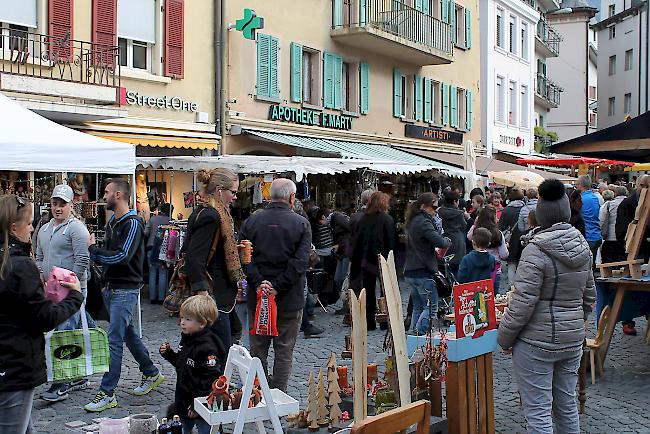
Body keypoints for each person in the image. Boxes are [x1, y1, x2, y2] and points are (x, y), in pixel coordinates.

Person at [498, 179, 596, 434]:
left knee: (539, 413)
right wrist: (573, 322)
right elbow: (589, 298)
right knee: (567, 408)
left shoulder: (535, 250)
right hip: (572, 340)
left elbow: (521, 302)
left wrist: (504, 339)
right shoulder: (583, 247)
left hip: (535, 343)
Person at [0, 195, 83, 432]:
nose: (32, 228)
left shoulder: (12, 262)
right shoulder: (18, 265)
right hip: (15, 364)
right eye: (28, 224)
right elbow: (44, 318)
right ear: (13, 228)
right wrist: (75, 296)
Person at [85, 178, 165, 412]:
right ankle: (151, 372)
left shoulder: (132, 224)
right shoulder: (113, 222)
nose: (104, 196)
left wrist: (93, 251)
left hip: (125, 289)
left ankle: (107, 392)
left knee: (115, 340)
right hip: (114, 288)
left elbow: (121, 256)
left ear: (119, 195)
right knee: (128, 335)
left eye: (107, 192)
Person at [239, 178, 311, 392]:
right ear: (291, 197)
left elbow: (244, 259)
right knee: (284, 350)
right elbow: (300, 263)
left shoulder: (251, 222)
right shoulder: (300, 223)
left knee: (258, 349)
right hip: (288, 299)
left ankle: (258, 392)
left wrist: (260, 284)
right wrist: (277, 286)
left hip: (258, 297)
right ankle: (278, 395)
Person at [36, 185, 94, 402]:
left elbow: (82, 260)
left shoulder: (77, 229)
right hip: (51, 290)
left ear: (71, 205)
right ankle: (78, 374)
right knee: (72, 329)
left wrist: (71, 285)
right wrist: (42, 275)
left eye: (62, 204)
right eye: (55, 204)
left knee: (64, 333)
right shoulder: (44, 228)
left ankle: (62, 382)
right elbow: (40, 255)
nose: (58, 208)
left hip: (72, 291)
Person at [183, 169, 245, 352]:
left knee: (232, 333)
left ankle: (217, 377)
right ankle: (216, 379)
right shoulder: (211, 215)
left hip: (219, 291)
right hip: (213, 291)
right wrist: (203, 293)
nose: (234, 197)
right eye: (232, 192)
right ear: (219, 190)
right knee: (220, 344)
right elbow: (195, 256)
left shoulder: (211, 212)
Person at [160, 295, 225, 434]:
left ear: (202, 323)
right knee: (181, 428)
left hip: (202, 403)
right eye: (181, 318)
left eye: (187, 319)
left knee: (206, 430)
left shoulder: (208, 347)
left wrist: (198, 405)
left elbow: (212, 379)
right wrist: (169, 354)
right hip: (185, 398)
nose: (182, 322)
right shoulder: (189, 338)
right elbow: (183, 364)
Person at [403, 193, 451, 333]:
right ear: (424, 206)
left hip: (411, 270)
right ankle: (419, 333)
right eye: (434, 207)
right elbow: (440, 241)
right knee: (431, 308)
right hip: (422, 271)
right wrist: (447, 241)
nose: (435, 210)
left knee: (418, 307)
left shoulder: (413, 220)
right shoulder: (424, 221)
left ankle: (414, 338)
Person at [349, 192, 396, 331]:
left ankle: (369, 321)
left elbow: (356, 242)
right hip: (381, 260)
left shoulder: (364, 219)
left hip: (366, 261)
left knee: (368, 291)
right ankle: (385, 320)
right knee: (385, 291)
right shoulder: (386, 219)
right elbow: (391, 242)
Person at [468, 207, 509, 293]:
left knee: (478, 295)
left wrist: (475, 224)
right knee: (492, 298)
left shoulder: (476, 231)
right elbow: (504, 255)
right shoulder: (498, 233)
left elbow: (468, 237)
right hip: (494, 269)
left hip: (477, 268)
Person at [145, 203, 172, 304]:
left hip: (151, 247)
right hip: (164, 249)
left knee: (152, 273)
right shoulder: (170, 221)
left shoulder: (152, 219)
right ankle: (161, 298)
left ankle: (152, 298)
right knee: (162, 273)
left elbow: (145, 232)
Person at [437, 189, 469, 275]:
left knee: (445, 265)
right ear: (455, 201)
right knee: (457, 267)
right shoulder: (459, 214)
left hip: (443, 239)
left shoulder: (439, 211)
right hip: (457, 240)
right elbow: (464, 226)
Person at [499, 189, 525, 288]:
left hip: (510, 241)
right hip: (523, 239)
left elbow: (500, 227)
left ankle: (511, 288)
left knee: (511, 264)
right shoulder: (525, 209)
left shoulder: (506, 210)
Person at [577, 175, 602, 267]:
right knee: (592, 264)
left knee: (585, 266)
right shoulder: (595, 198)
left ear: (580, 185)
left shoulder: (581, 200)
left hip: (586, 236)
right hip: (596, 234)